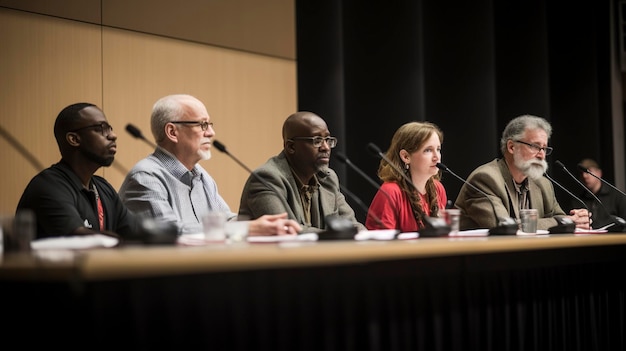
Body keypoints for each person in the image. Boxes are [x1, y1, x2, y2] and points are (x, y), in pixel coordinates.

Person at [119, 94, 301, 236]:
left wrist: (265, 226)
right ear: (172, 132)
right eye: (203, 125)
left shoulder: (202, 177)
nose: (212, 133)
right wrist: (248, 229)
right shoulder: (145, 177)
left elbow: (226, 220)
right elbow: (170, 234)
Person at [16, 102, 139, 239]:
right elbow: (79, 239)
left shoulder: (104, 188)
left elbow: (137, 232)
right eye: (101, 128)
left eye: (109, 128)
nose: (113, 135)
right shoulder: (48, 186)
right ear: (74, 139)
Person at [454, 114, 590, 231]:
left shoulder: (543, 184)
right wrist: (565, 221)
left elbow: (561, 218)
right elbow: (505, 227)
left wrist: (576, 219)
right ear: (512, 147)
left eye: (544, 148)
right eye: (535, 146)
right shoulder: (486, 179)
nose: (541, 155)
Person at [237, 111, 365, 233]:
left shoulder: (328, 178)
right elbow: (286, 231)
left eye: (327, 140)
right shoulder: (267, 178)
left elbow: (352, 225)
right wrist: (338, 234)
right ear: (291, 147)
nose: (325, 147)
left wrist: (361, 234)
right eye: (317, 140)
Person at [366, 121, 448, 232]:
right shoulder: (391, 192)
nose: (436, 157)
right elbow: (380, 244)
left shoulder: (438, 189)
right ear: (406, 157)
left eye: (438, 149)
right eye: (428, 150)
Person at [574, 158, 626, 228]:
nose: (584, 176)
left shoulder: (617, 196)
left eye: (588, 171)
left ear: (599, 173)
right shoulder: (577, 200)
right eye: (581, 173)